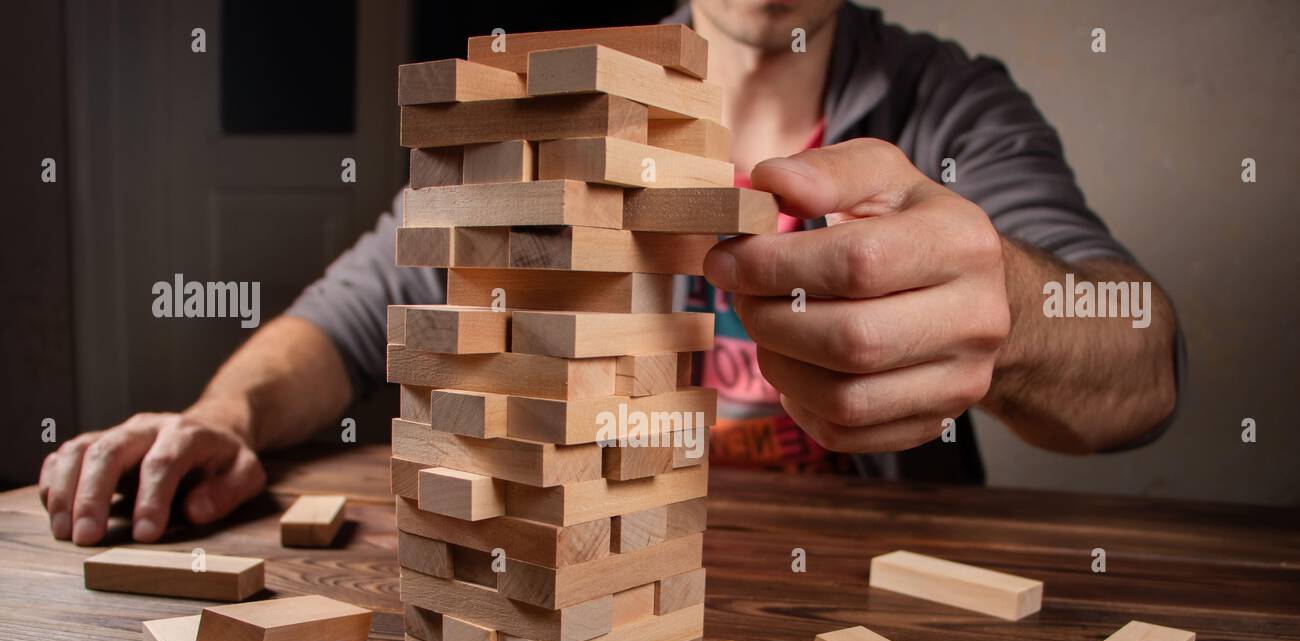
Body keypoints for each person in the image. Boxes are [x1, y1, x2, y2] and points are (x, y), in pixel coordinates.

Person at [39, 1, 1181, 546]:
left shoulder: (952, 104)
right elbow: (354, 312)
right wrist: (219, 415)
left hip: (868, 600)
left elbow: (1141, 364)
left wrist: (1011, 311)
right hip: (585, 575)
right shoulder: (561, 92)